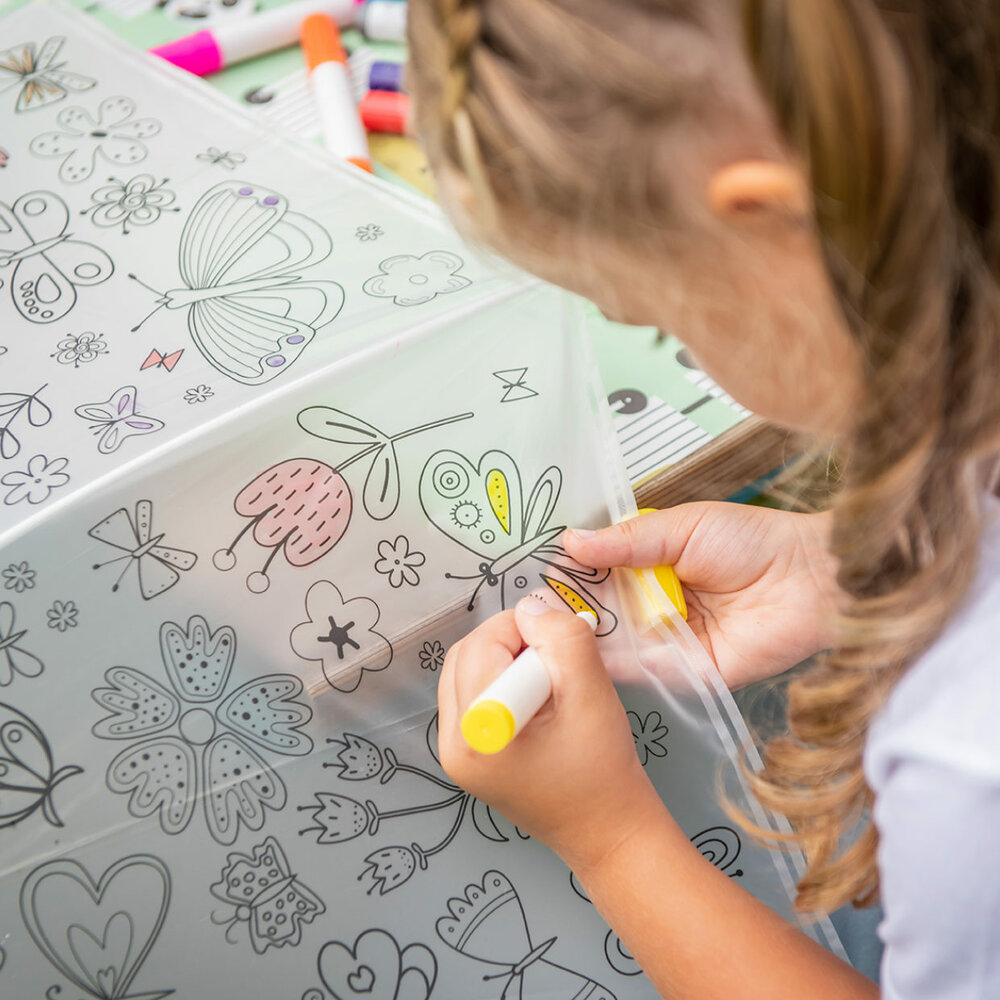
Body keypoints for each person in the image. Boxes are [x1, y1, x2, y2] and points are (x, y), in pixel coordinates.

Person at [407, 1, 1000, 998]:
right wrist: (854, 564)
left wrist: (613, 840)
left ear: (772, 226)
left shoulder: (964, 772)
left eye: (650, 310)